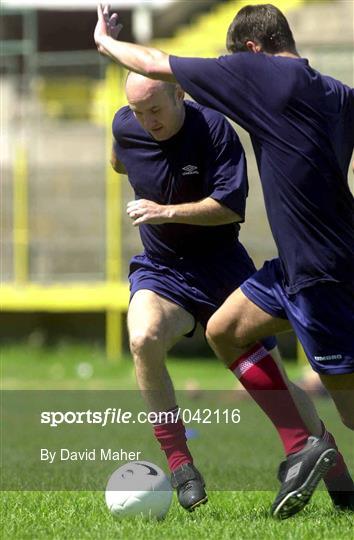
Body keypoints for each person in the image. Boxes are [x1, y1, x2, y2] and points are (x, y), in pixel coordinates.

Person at [94, 3, 354, 518]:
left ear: (253, 53)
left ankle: (332, 472)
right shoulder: (337, 95)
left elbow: (155, 61)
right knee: (219, 330)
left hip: (318, 270)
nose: (147, 121)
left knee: (348, 413)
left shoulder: (259, 84)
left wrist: (104, 41)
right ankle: (287, 448)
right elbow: (123, 149)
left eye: (237, 64)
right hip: (288, 267)